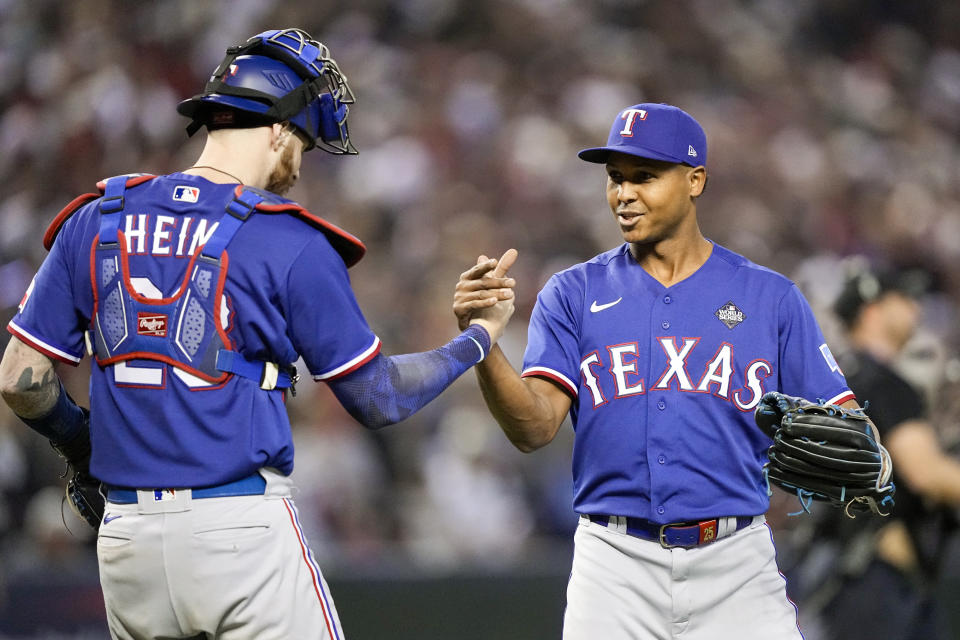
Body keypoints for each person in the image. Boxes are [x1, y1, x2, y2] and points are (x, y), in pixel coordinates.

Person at [0, 28, 516, 640]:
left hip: (127, 544)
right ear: (276, 129)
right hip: (239, 531)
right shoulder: (288, 238)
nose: (299, 163)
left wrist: (81, 448)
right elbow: (378, 398)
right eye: (302, 141)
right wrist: (477, 339)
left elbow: (20, 379)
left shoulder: (96, 218)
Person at [453, 102, 878, 639]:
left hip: (735, 562)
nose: (623, 194)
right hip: (613, 563)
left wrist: (862, 447)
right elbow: (534, 428)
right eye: (615, 178)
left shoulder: (769, 298)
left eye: (645, 177)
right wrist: (484, 344)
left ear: (695, 180)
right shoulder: (573, 293)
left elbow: (846, 427)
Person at [792, 261, 960, 640]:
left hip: (840, 570)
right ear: (873, 310)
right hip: (877, 580)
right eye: (902, 297)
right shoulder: (881, 382)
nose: (915, 308)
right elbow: (925, 472)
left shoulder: (837, 377)